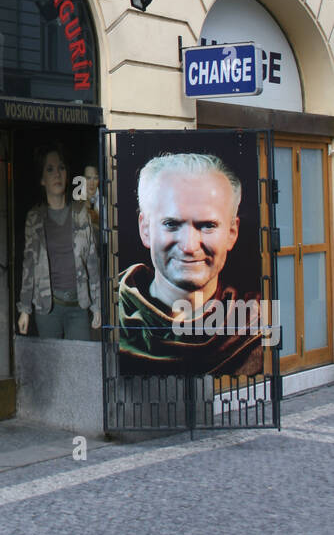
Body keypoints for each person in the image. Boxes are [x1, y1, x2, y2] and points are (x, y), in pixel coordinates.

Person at [118, 152, 263, 377]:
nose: (188, 246)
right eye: (172, 224)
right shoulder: (106, 313)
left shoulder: (257, 322)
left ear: (232, 233)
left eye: (207, 225)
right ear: (145, 230)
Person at [17, 144, 101, 338]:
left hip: (78, 307)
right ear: (42, 179)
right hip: (48, 309)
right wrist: (24, 309)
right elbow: (29, 265)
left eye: (61, 168)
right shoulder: (35, 218)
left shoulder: (80, 214)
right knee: (52, 365)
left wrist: (97, 306)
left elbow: (92, 262)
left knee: (79, 362)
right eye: (50, 169)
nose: (57, 174)